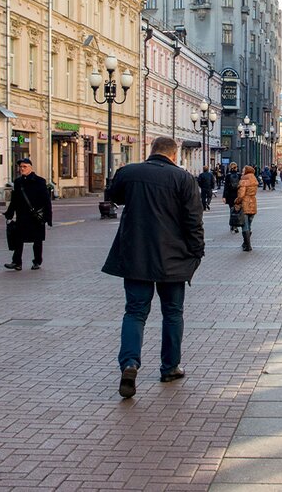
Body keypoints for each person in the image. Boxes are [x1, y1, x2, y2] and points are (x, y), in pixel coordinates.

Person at [103, 137, 205, 399]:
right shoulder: (183, 179)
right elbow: (194, 221)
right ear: (174, 154)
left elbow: (112, 196)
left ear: (152, 151)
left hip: (135, 255)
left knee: (135, 312)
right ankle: (170, 367)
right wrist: (196, 252)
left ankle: (129, 364)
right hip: (173, 258)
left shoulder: (129, 172)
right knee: (172, 313)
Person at [3, 158, 52, 271]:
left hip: (36, 216)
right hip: (22, 216)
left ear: (31, 167)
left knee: (37, 240)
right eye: (21, 167)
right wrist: (9, 214)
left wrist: (48, 217)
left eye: (25, 167)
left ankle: (37, 261)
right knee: (18, 239)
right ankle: (16, 262)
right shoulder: (18, 182)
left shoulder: (40, 181)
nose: (22, 169)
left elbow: (46, 201)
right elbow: (14, 200)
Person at [235, 165, 259, 251]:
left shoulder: (244, 179)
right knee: (249, 224)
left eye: (243, 170)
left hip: (245, 203)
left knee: (245, 225)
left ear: (247, 171)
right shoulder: (254, 179)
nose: (242, 171)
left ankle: (247, 245)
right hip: (253, 202)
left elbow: (241, 194)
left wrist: (237, 201)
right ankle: (245, 243)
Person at [222, 162, 242, 233]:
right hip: (238, 195)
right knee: (237, 211)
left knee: (231, 210)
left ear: (230, 168)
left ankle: (232, 226)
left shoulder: (228, 176)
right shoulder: (240, 175)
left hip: (230, 196)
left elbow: (226, 187)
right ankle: (236, 226)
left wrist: (224, 197)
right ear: (236, 167)